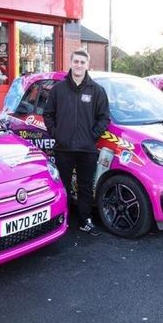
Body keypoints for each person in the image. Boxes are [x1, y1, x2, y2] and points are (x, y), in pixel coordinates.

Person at [43, 49, 110, 235]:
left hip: (87, 149)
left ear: (87, 65)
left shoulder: (97, 90)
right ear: (70, 63)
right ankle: (62, 218)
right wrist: (57, 134)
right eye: (76, 61)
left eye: (82, 62)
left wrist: (93, 136)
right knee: (62, 185)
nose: (79, 65)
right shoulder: (58, 89)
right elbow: (47, 114)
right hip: (63, 148)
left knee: (85, 187)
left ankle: (84, 220)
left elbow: (104, 117)